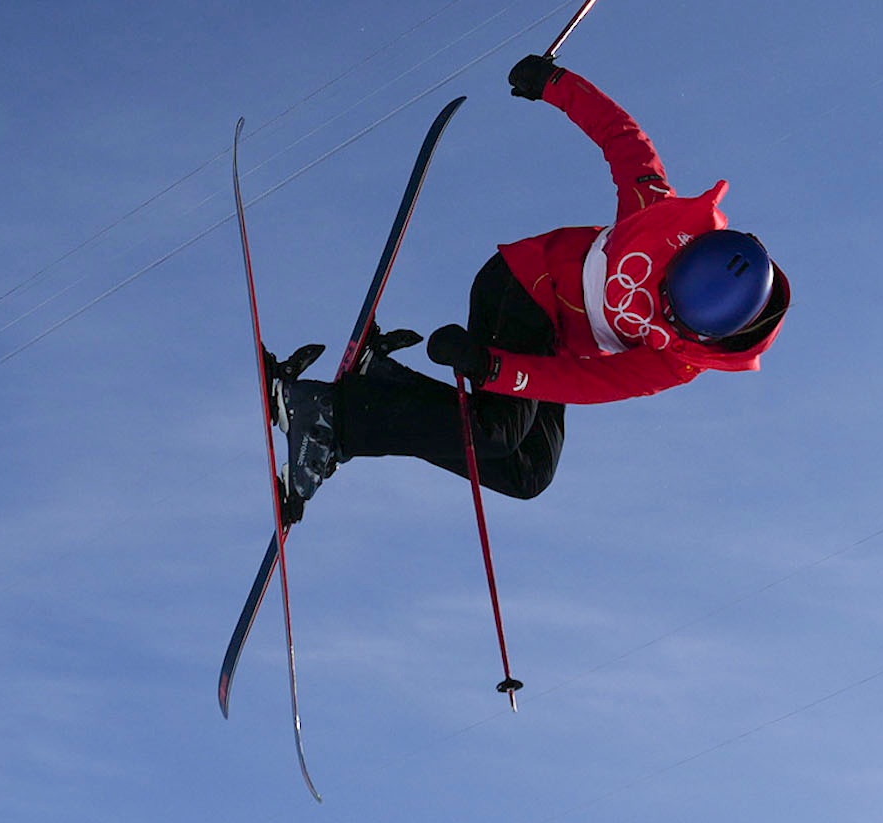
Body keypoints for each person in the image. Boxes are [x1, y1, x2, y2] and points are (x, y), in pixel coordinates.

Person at [275, 52, 787, 510]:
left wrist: (493, 367)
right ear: (684, 255)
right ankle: (331, 415)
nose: (658, 305)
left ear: (703, 337)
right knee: (494, 432)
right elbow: (623, 138)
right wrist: (556, 83)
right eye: (667, 286)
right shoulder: (658, 216)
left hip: (558, 347)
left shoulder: (680, 362)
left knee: (527, 473)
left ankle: (384, 385)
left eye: (672, 315)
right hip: (523, 285)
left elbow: (592, 383)